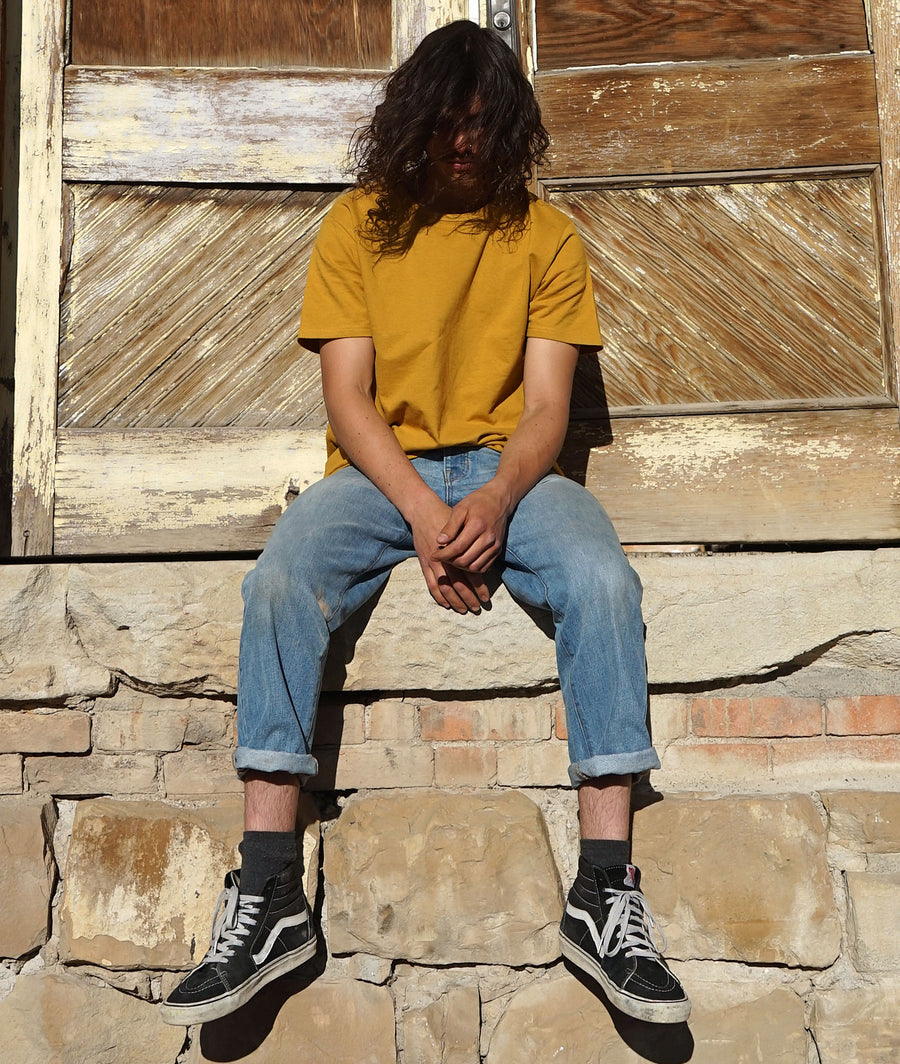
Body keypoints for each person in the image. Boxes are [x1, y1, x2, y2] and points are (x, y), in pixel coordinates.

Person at [160, 19, 690, 1029]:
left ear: (511, 130)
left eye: (484, 127)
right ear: (414, 122)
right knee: (278, 581)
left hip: (511, 471)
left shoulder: (544, 236)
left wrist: (489, 503)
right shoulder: (357, 226)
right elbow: (349, 400)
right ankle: (268, 888)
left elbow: (546, 409)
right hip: (380, 471)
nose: (463, 146)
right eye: (447, 125)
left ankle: (606, 888)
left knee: (603, 582)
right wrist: (423, 515)